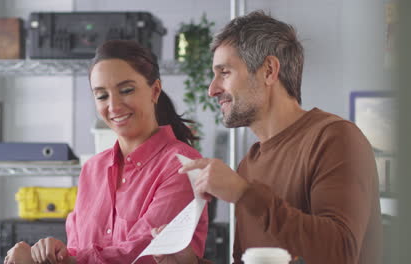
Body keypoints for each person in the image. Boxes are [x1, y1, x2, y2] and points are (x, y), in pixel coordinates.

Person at [156, 10, 382, 264]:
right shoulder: (249, 165)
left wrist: (245, 194)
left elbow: (341, 252)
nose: (212, 89)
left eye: (225, 72)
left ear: (269, 70)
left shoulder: (335, 139)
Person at [4, 39, 208, 264]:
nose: (114, 106)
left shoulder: (183, 164)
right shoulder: (93, 169)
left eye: (126, 90)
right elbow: (78, 247)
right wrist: (53, 252)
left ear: (155, 91)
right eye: (102, 95)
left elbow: (144, 253)